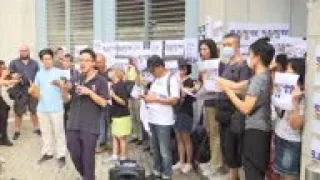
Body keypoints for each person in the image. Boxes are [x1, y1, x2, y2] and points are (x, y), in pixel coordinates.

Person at [217, 38, 274, 180]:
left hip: (257, 131)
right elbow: (240, 86)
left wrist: (228, 92)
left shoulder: (260, 79)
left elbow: (246, 108)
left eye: (250, 54)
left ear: (257, 57)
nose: (249, 58)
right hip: (258, 129)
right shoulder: (262, 76)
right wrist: (222, 82)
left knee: (253, 171)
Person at [62, 48, 108, 180]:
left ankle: (88, 177)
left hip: (90, 126)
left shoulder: (101, 81)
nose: (82, 63)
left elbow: (104, 103)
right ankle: (86, 176)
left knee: (88, 158)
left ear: (93, 63)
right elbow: (68, 100)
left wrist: (90, 92)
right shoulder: (77, 77)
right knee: (74, 152)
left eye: (86, 60)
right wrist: (63, 90)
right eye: (81, 60)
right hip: (73, 123)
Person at [215, 33, 251, 180]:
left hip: (234, 114)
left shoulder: (243, 66)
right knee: (227, 149)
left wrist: (227, 88)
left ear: (237, 46)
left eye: (229, 45)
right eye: (224, 45)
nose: (226, 48)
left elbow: (244, 90)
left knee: (234, 149)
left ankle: (234, 176)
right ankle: (232, 175)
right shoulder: (227, 64)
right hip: (222, 113)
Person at [143, 55, 180, 180]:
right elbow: (152, 95)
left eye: (153, 70)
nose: (152, 73)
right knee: (155, 148)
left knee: (164, 150)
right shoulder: (155, 79)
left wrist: (156, 99)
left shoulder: (171, 79)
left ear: (160, 67)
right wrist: (145, 97)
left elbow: (174, 100)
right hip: (152, 118)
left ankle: (167, 174)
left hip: (164, 120)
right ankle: (156, 171)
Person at [31, 48, 67, 168]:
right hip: (42, 109)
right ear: (41, 61)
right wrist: (32, 91)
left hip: (56, 108)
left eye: (49, 59)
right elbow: (35, 89)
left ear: (52, 59)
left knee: (59, 133)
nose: (47, 61)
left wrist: (61, 85)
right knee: (46, 132)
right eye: (45, 59)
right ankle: (48, 152)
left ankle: (61, 155)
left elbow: (66, 88)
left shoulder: (59, 72)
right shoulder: (39, 73)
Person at [197, 39, 226, 177]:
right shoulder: (202, 65)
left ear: (212, 49)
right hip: (206, 102)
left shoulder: (219, 64)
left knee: (215, 134)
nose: (203, 52)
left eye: (205, 49)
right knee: (210, 132)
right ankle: (212, 160)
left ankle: (216, 164)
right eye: (201, 49)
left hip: (216, 102)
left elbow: (222, 83)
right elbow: (202, 84)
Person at [273, 58, 305, 180]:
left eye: (289, 70)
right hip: (280, 135)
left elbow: (295, 125)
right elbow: (278, 111)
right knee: (281, 175)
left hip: (291, 141)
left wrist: (295, 102)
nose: (285, 73)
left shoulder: (302, 96)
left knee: (289, 177)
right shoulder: (287, 89)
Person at [9, 45, 40, 140]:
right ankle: (17, 130)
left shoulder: (34, 63)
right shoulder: (14, 62)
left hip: (32, 89)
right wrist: (13, 76)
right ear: (19, 52)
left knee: (34, 110)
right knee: (18, 112)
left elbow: (39, 76)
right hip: (19, 90)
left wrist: (36, 87)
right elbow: (8, 75)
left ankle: (36, 128)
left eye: (25, 51)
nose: (23, 52)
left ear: (28, 51)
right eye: (21, 51)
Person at [103, 69, 132, 163]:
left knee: (122, 138)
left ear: (116, 74)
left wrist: (113, 96)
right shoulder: (114, 85)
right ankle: (115, 155)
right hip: (115, 115)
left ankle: (123, 158)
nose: (109, 73)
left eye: (111, 71)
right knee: (115, 136)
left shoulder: (121, 85)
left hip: (122, 116)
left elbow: (124, 102)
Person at [172, 61, 195, 174]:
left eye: (183, 68)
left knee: (186, 138)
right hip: (177, 111)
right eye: (180, 67)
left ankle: (189, 162)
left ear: (187, 69)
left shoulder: (189, 81)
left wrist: (180, 83)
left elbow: (184, 95)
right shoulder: (176, 80)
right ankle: (181, 161)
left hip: (186, 112)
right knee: (178, 137)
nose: (181, 70)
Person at [60, 54, 80, 131]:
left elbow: (77, 84)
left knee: (72, 117)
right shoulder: (58, 72)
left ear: (71, 63)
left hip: (72, 98)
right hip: (61, 98)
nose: (64, 63)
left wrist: (71, 85)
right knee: (62, 118)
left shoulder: (76, 73)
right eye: (63, 61)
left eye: (67, 61)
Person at [125, 57, 143, 145]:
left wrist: (135, 65)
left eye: (131, 60)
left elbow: (139, 76)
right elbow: (125, 79)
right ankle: (135, 135)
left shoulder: (137, 69)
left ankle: (141, 137)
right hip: (129, 95)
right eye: (129, 60)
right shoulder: (128, 68)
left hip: (136, 96)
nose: (130, 62)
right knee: (132, 117)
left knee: (138, 117)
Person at [95, 53, 111, 153]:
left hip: (110, 102)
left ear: (104, 62)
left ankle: (106, 142)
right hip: (98, 102)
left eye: (99, 62)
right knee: (100, 123)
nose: (97, 64)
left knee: (108, 122)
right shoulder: (95, 72)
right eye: (96, 62)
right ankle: (99, 144)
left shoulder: (109, 72)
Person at [0, 61, 16, 146]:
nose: (4, 69)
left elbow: (8, 83)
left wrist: (14, 79)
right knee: (2, 117)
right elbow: (2, 82)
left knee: (4, 116)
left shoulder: (4, 75)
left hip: (2, 100)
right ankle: (3, 138)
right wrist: (4, 76)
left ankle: (3, 138)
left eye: (4, 67)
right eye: (2, 68)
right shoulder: (2, 76)